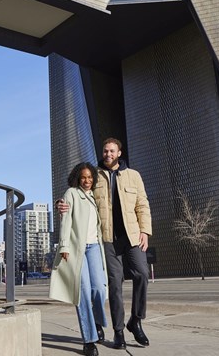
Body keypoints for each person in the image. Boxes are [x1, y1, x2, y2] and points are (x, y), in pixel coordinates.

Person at [59, 138, 152, 350]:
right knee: (114, 284)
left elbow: (143, 204)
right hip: (107, 240)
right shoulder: (95, 174)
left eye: (112, 151)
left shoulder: (133, 176)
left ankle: (135, 320)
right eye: (105, 151)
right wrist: (60, 204)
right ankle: (119, 331)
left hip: (132, 236)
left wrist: (145, 231)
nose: (108, 154)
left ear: (119, 153)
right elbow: (76, 191)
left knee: (142, 274)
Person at [49, 162, 108, 356]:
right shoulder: (71, 194)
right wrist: (64, 245)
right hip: (77, 249)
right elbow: (66, 221)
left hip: (94, 247)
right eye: (84, 177)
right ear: (77, 178)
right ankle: (89, 340)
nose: (87, 180)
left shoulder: (93, 196)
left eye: (90, 177)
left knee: (99, 287)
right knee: (81, 292)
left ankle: (97, 321)